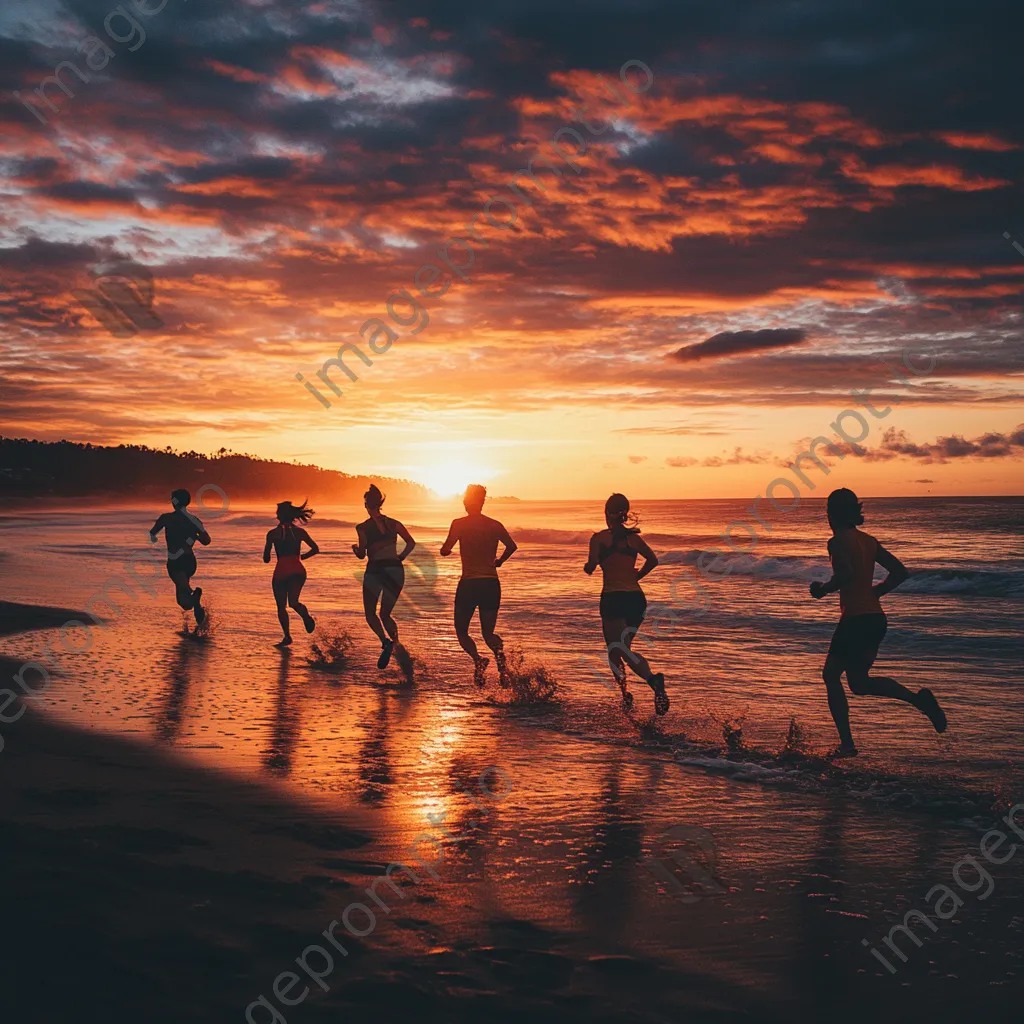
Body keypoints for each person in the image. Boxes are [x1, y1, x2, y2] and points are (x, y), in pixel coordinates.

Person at [810, 487, 947, 757]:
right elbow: (900, 572)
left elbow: (845, 574)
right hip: (875, 619)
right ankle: (918, 700)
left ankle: (847, 745)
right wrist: (876, 593)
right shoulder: (868, 540)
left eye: (828, 511)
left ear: (832, 513)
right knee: (859, 684)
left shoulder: (837, 541)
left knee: (830, 675)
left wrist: (822, 589)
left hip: (856, 620)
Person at [584, 493, 668, 715]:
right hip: (636, 600)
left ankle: (653, 680)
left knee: (619, 649)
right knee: (617, 650)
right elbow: (653, 560)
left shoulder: (599, 539)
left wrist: (589, 566)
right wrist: (637, 577)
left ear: (606, 513)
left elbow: (591, 565)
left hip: (613, 598)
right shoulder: (634, 539)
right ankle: (625, 696)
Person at [440, 484, 517, 686]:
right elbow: (512, 546)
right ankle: (502, 664)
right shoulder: (494, 525)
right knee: (488, 633)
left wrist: (446, 550)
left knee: (461, 631)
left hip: (469, 584)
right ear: (482, 502)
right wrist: (499, 561)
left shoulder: (459, 524)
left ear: (467, 502)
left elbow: (445, 549)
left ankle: (478, 660)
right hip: (491, 584)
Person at [352, 484, 416, 668]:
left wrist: (355, 549)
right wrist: (400, 557)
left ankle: (385, 641)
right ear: (380, 504)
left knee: (371, 613)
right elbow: (411, 543)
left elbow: (362, 554)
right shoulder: (394, 523)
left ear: (366, 505)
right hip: (395, 571)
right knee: (385, 613)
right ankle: (396, 645)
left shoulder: (362, 527)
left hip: (375, 571)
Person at [149, 489, 211, 626]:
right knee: (183, 603)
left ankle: (195, 596)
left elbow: (153, 533)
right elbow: (207, 540)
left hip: (175, 561)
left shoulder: (166, 518)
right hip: (190, 561)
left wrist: (155, 539)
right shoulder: (194, 520)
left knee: (184, 591)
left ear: (174, 501)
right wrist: (195, 537)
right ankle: (195, 602)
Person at [263, 500, 319, 646]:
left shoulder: (273, 534)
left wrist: (270, 549)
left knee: (281, 606)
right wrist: (300, 558)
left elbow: (266, 558)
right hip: (298, 569)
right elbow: (315, 549)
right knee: (294, 602)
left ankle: (287, 637)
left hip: (281, 571)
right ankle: (306, 616)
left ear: (279, 516)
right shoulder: (300, 532)